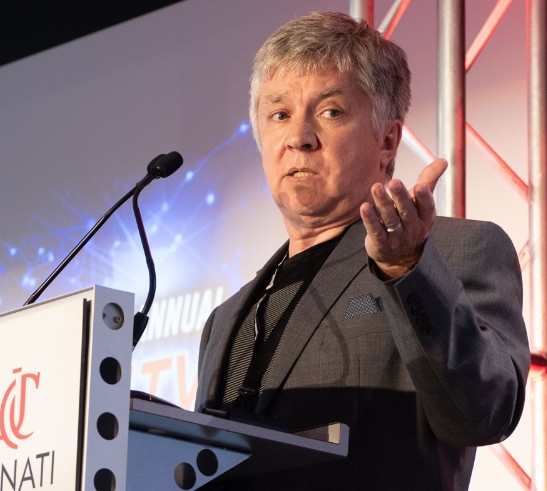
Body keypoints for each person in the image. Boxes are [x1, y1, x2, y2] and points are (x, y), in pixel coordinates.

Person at [194, 11, 530, 490]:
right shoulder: (226, 319)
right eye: (279, 114)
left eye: (330, 112)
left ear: (387, 140)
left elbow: (486, 412)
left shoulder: (452, 251)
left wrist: (405, 268)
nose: (298, 137)